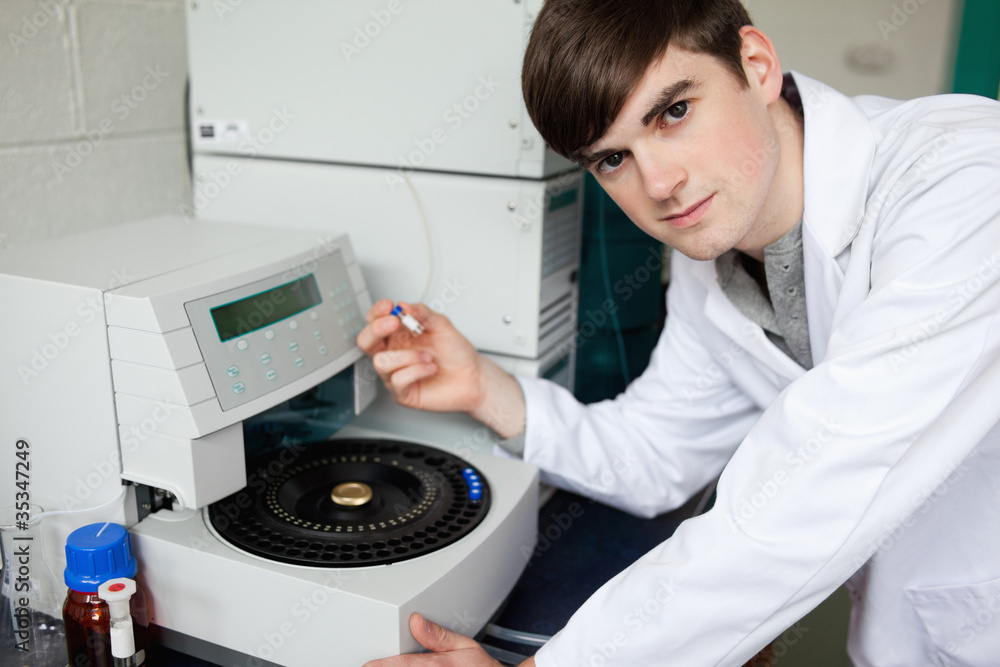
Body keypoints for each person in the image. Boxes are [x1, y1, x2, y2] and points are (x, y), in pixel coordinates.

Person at [360, 0, 1000, 665]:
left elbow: (810, 490)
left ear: (756, 65)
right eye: (613, 159)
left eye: (674, 112)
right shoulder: (715, 255)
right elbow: (656, 452)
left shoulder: (964, 179)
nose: (660, 184)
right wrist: (482, 388)